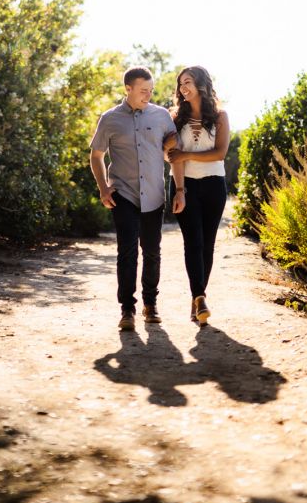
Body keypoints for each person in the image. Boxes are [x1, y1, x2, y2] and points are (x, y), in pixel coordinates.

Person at [89, 66, 186, 330]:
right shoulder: (109, 119)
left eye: (151, 90)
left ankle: (150, 304)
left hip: (154, 194)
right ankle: (127, 310)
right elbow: (96, 156)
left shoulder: (162, 116)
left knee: (152, 252)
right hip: (124, 194)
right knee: (127, 251)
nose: (148, 95)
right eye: (144, 90)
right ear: (128, 89)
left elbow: (174, 155)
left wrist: (179, 190)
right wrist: (103, 187)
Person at [165, 66, 229, 326]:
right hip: (185, 185)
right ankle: (199, 297)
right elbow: (173, 158)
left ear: (201, 84)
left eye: (188, 82)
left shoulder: (220, 116)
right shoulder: (173, 117)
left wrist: (187, 155)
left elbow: (220, 153)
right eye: (180, 83)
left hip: (214, 185)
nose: (183, 88)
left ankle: (197, 300)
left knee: (208, 243)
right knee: (193, 242)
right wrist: (180, 190)